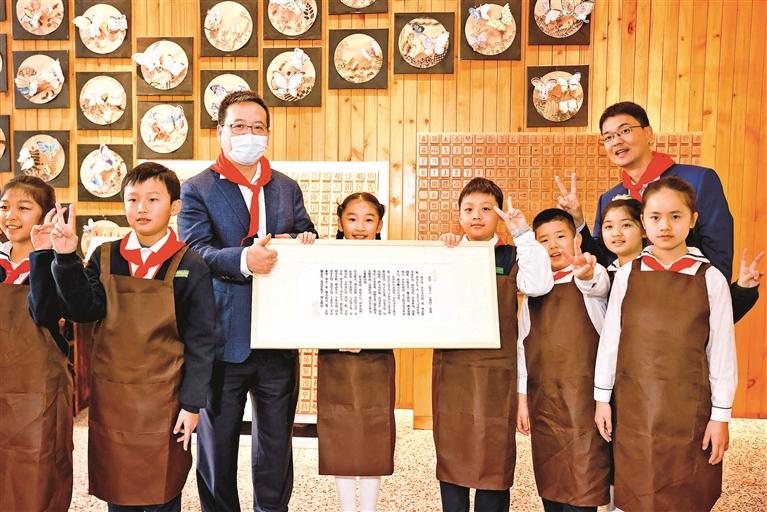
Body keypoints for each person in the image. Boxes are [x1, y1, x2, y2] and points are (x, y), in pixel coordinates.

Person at [48, 163, 216, 511]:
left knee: (162, 487)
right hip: (114, 398)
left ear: (175, 206)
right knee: (119, 486)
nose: (141, 208)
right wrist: (65, 258)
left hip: (165, 399)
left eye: (153, 199)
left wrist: (192, 405)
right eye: (133, 199)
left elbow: (201, 341)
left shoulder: (191, 264)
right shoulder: (105, 256)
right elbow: (84, 311)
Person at [178, 90, 317, 512]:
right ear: (220, 131)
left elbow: (306, 231)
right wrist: (243, 259)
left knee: (276, 444)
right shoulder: (197, 188)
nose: (249, 134)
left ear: (268, 133)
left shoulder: (285, 187)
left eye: (258, 127)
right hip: (223, 337)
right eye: (238, 126)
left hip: (278, 337)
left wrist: (306, 240)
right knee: (217, 447)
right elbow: (194, 251)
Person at [594, 176, 737, 511]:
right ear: (644, 222)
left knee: (684, 490)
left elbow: (721, 351)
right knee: (635, 486)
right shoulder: (628, 274)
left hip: (689, 407)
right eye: (655, 217)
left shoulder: (710, 279)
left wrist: (721, 416)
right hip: (635, 404)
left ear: (693, 220)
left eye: (676, 216)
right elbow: (611, 339)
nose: (665, 226)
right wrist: (602, 398)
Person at [435, 177, 552, 512]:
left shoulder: (512, 255)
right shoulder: (447, 253)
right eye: (469, 209)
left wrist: (522, 233)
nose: (477, 215)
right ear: (458, 214)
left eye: (486, 209)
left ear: (498, 215)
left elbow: (539, 284)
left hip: (497, 370)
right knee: (453, 448)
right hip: (452, 370)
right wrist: (442, 252)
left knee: (494, 452)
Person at [556, 101, 734, 281]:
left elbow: (718, 249)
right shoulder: (608, 198)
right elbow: (603, 261)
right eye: (608, 137)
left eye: (625, 131)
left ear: (648, 133)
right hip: (630, 294)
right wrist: (578, 219)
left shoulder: (699, 180)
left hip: (688, 290)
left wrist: (710, 292)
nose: (616, 141)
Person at [517, 208, 611, 512]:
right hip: (545, 404)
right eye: (544, 240)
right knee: (551, 486)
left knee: (584, 487)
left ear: (577, 240)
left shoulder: (590, 275)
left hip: (586, 406)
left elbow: (596, 283)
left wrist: (586, 273)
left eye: (560, 236)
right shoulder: (533, 290)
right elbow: (522, 347)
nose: (553, 245)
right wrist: (521, 400)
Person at [317, 192, 395, 512]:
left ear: (379, 224)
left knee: (375, 432)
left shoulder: (393, 260)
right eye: (352, 219)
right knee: (341, 434)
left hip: (377, 357)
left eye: (368, 219)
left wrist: (370, 335)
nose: (360, 227)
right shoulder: (322, 256)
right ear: (340, 222)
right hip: (334, 355)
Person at [0, 176, 73, 511]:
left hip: (38, 386)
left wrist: (41, 254)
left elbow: (44, 313)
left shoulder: (60, 262)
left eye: (23, 208)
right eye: (4, 207)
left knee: (37, 468)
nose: (10, 216)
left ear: (46, 215)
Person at [600, 196, 762, 322]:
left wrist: (743, 291)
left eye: (626, 225)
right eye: (608, 227)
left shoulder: (674, 269)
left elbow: (713, 318)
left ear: (644, 228)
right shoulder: (601, 278)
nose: (616, 233)